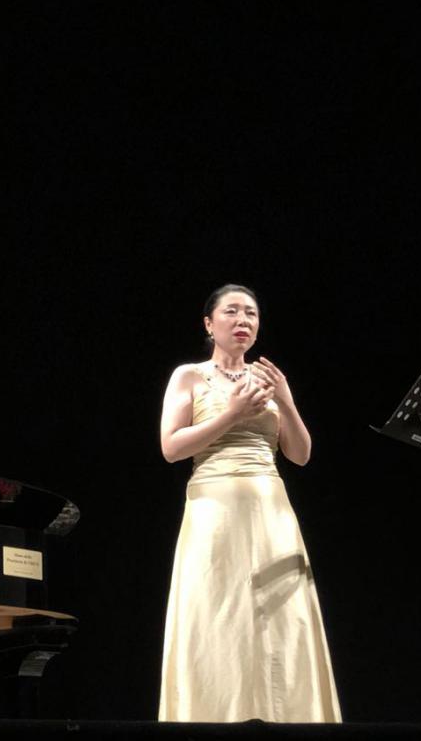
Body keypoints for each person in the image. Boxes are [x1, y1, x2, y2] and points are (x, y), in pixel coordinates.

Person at [157, 284, 340, 722]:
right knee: (218, 612)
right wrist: (231, 415)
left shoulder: (268, 380)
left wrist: (286, 402)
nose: (243, 320)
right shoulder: (189, 376)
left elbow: (300, 455)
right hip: (214, 510)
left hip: (271, 510)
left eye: (251, 314)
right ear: (209, 324)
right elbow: (171, 448)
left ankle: (289, 717)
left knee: (281, 617)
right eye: (232, 312)